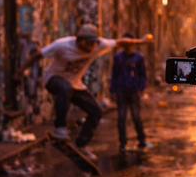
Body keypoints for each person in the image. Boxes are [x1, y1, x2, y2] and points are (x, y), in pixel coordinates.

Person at [16, 24, 148, 156]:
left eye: (93, 44)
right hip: (52, 79)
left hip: (74, 84)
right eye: (88, 44)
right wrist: (20, 71)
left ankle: (81, 144)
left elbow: (121, 42)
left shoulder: (99, 45)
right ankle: (60, 128)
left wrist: (141, 41)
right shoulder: (61, 45)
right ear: (79, 40)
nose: (91, 48)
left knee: (96, 111)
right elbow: (37, 55)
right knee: (65, 87)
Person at [110, 33, 147, 151]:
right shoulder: (118, 57)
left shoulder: (139, 57)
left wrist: (141, 88)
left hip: (134, 90)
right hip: (121, 89)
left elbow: (143, 75)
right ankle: (122, 142)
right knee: (121, 117)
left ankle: (142, 140)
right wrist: (113, 90)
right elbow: (114, 74)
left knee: (136, 116)